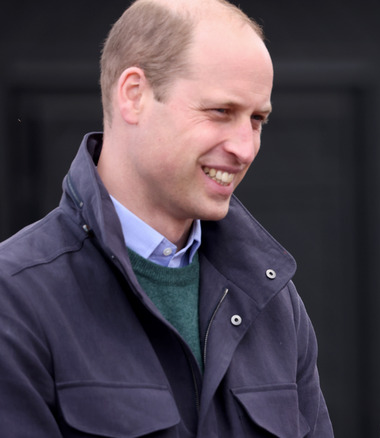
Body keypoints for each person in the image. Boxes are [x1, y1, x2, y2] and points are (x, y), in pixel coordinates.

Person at [0, 0, 333, 436]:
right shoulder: (16, 299)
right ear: (134, 95)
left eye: (257, 120)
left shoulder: (274, 302)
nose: (245, 148)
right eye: (220, 112)